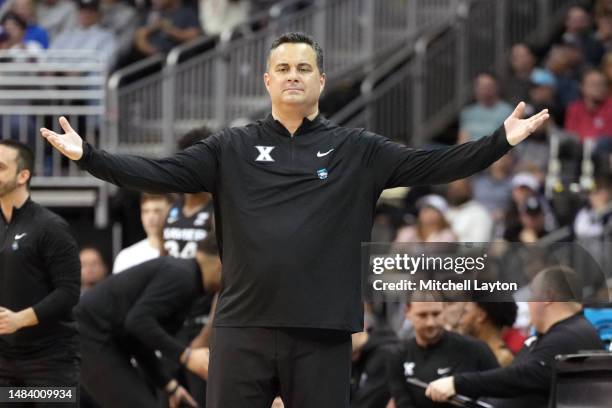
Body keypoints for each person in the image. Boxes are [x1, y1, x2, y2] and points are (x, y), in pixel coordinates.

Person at [41, 31, 550, 408]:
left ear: (320, 80)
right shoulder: (232, 147)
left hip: (323, 333)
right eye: (282, 67)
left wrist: (499, 141)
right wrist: (89, 156)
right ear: (267, 80)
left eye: (303, 68)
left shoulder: (357, 149)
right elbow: (157, 171)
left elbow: (434, 164)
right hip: (242, 328)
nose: (292, 75)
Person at [425, 265, 605, 407]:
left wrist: (458, 383)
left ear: (548, 297)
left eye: (533, 295)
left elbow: (522, 377)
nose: (529, 302)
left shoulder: (569, 336)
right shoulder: (555, 334)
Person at [76, 234, 221, 408]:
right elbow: (137, 322)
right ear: (220, 266)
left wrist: (170, 386)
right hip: (88, 335)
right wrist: (187, 356)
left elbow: (138, 338)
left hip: (104, 338)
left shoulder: (188, 280)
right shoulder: (183, 277)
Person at [0, 140, 81, 405]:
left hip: (49, 362)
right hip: (5, 361)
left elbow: (68, 292)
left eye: (0, 167)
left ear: (23, 175)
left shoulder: (50, 226)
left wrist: (19, 319)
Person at [386, 297, 499, 408]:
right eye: (422, 315)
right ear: (407, 312)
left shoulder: (475, 349)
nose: (430, 323)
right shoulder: (398, 355)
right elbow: (402, 400)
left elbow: (500, 391)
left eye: (436, 314)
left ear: (444, 309)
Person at [113, 193, 173, 273]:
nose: (151, 217)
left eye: (157, 211)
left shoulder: (182, 253)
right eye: (146, 211)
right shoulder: (127, 257)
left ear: (171, 212)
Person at [458, 301, 518, 367]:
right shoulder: (473, 353)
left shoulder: (502, 359)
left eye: (465, 313)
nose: (460, 321)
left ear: (481, 315)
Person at [459, 71, 514, 142]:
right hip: (472, 152)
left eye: (488, 86)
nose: (485, 90)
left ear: (496, 87)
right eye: (481, 86)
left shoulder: (507, 111)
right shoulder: (467, 112)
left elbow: (508, 143)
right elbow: (462, 141)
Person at [564, 68, 612, 141]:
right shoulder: (574, 108)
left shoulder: (610, 106)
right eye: (594, 84)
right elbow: (570, 134)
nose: (599, 88)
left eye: (602, 84)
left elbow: (608, 137)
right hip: (579, 149)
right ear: (582, 87)